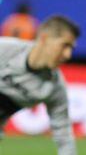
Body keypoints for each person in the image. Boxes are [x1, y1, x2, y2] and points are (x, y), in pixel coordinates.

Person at [0, 15, 80, 155]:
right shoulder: (5, 50)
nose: (68, 55)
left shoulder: (54, 88)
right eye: (64, 45)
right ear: (44, 38)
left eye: (71, 48)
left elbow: (64, 137)